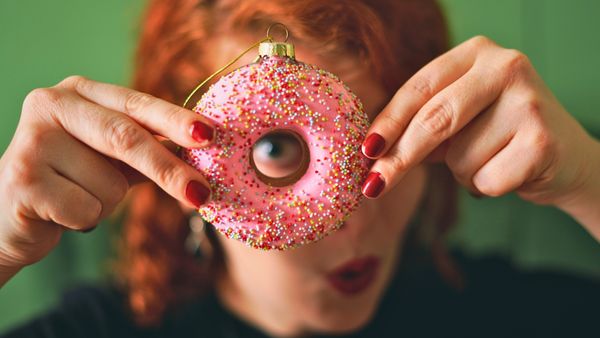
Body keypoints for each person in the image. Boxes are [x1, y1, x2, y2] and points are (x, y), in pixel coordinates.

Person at [1, 0, 599, 337]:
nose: (355, 223)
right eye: (275, 151)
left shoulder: (514, 319)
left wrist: (589, 183)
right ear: (174, 153)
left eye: (388, 140)